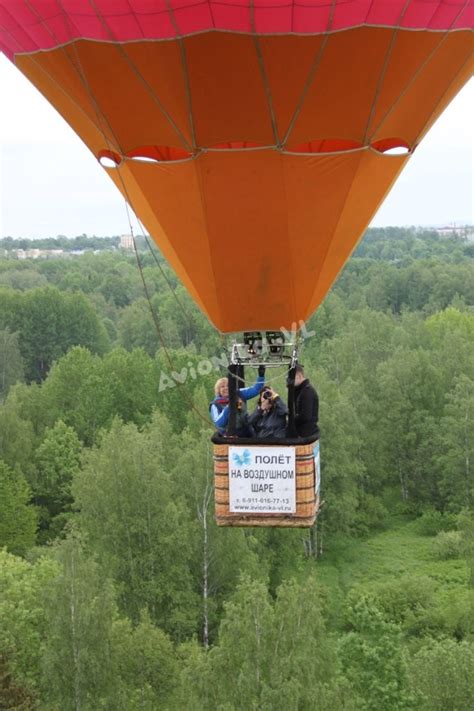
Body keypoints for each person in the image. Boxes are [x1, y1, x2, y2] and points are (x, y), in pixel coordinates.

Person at [210, 366, 265, 435]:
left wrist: (261, 376)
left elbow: (256, 389)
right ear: (218, 390)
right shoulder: (215, 405)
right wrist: (230, 406)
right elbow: (219, 423)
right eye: (222, 387)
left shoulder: (239, 393)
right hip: (230, 435)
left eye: (228, 385)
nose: (226, 388)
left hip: (246, 430)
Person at [294, 365, 319, 438]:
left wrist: (291, 420)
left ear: (299, 375)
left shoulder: (307, 392)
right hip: (304, 433)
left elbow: (305, 416)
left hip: (307, 435)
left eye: (292, 377)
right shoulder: (301, 391)